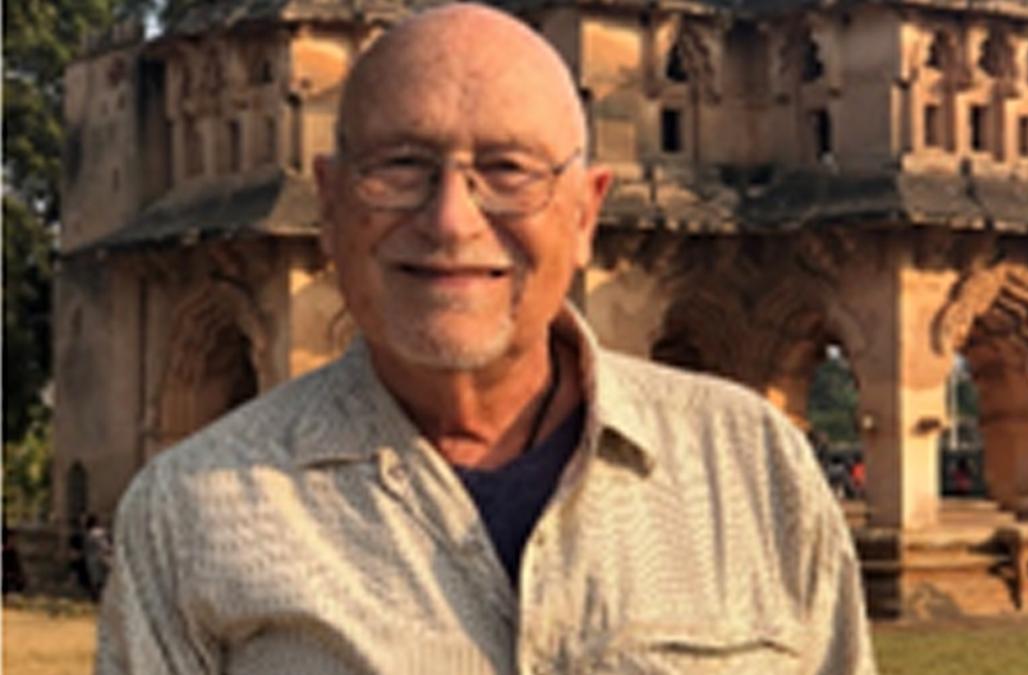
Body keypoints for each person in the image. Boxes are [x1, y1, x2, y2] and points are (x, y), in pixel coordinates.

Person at [95, 5, 875, 673]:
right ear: (328, 204)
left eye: (507, 169)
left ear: (584, 211)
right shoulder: (191, 513)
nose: (451, 221)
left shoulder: (753, 466)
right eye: (400, 167)